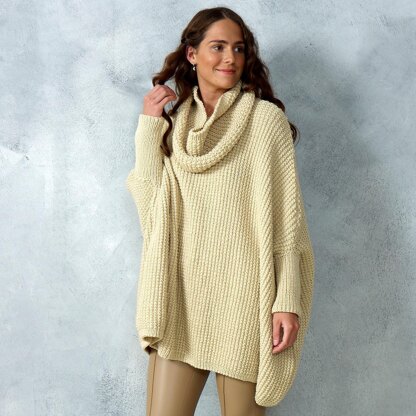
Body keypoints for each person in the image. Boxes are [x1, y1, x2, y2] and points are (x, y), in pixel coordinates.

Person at [126, 6, 315, 416]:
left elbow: (288, 223)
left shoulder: (265, 122)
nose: (230, 58)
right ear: (192, 54)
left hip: (245, 298)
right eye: (218, 47)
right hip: (181, 298)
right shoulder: (177, 125)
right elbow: (152, 213)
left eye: (239, 48)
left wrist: (286, 300)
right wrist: (149, 126)